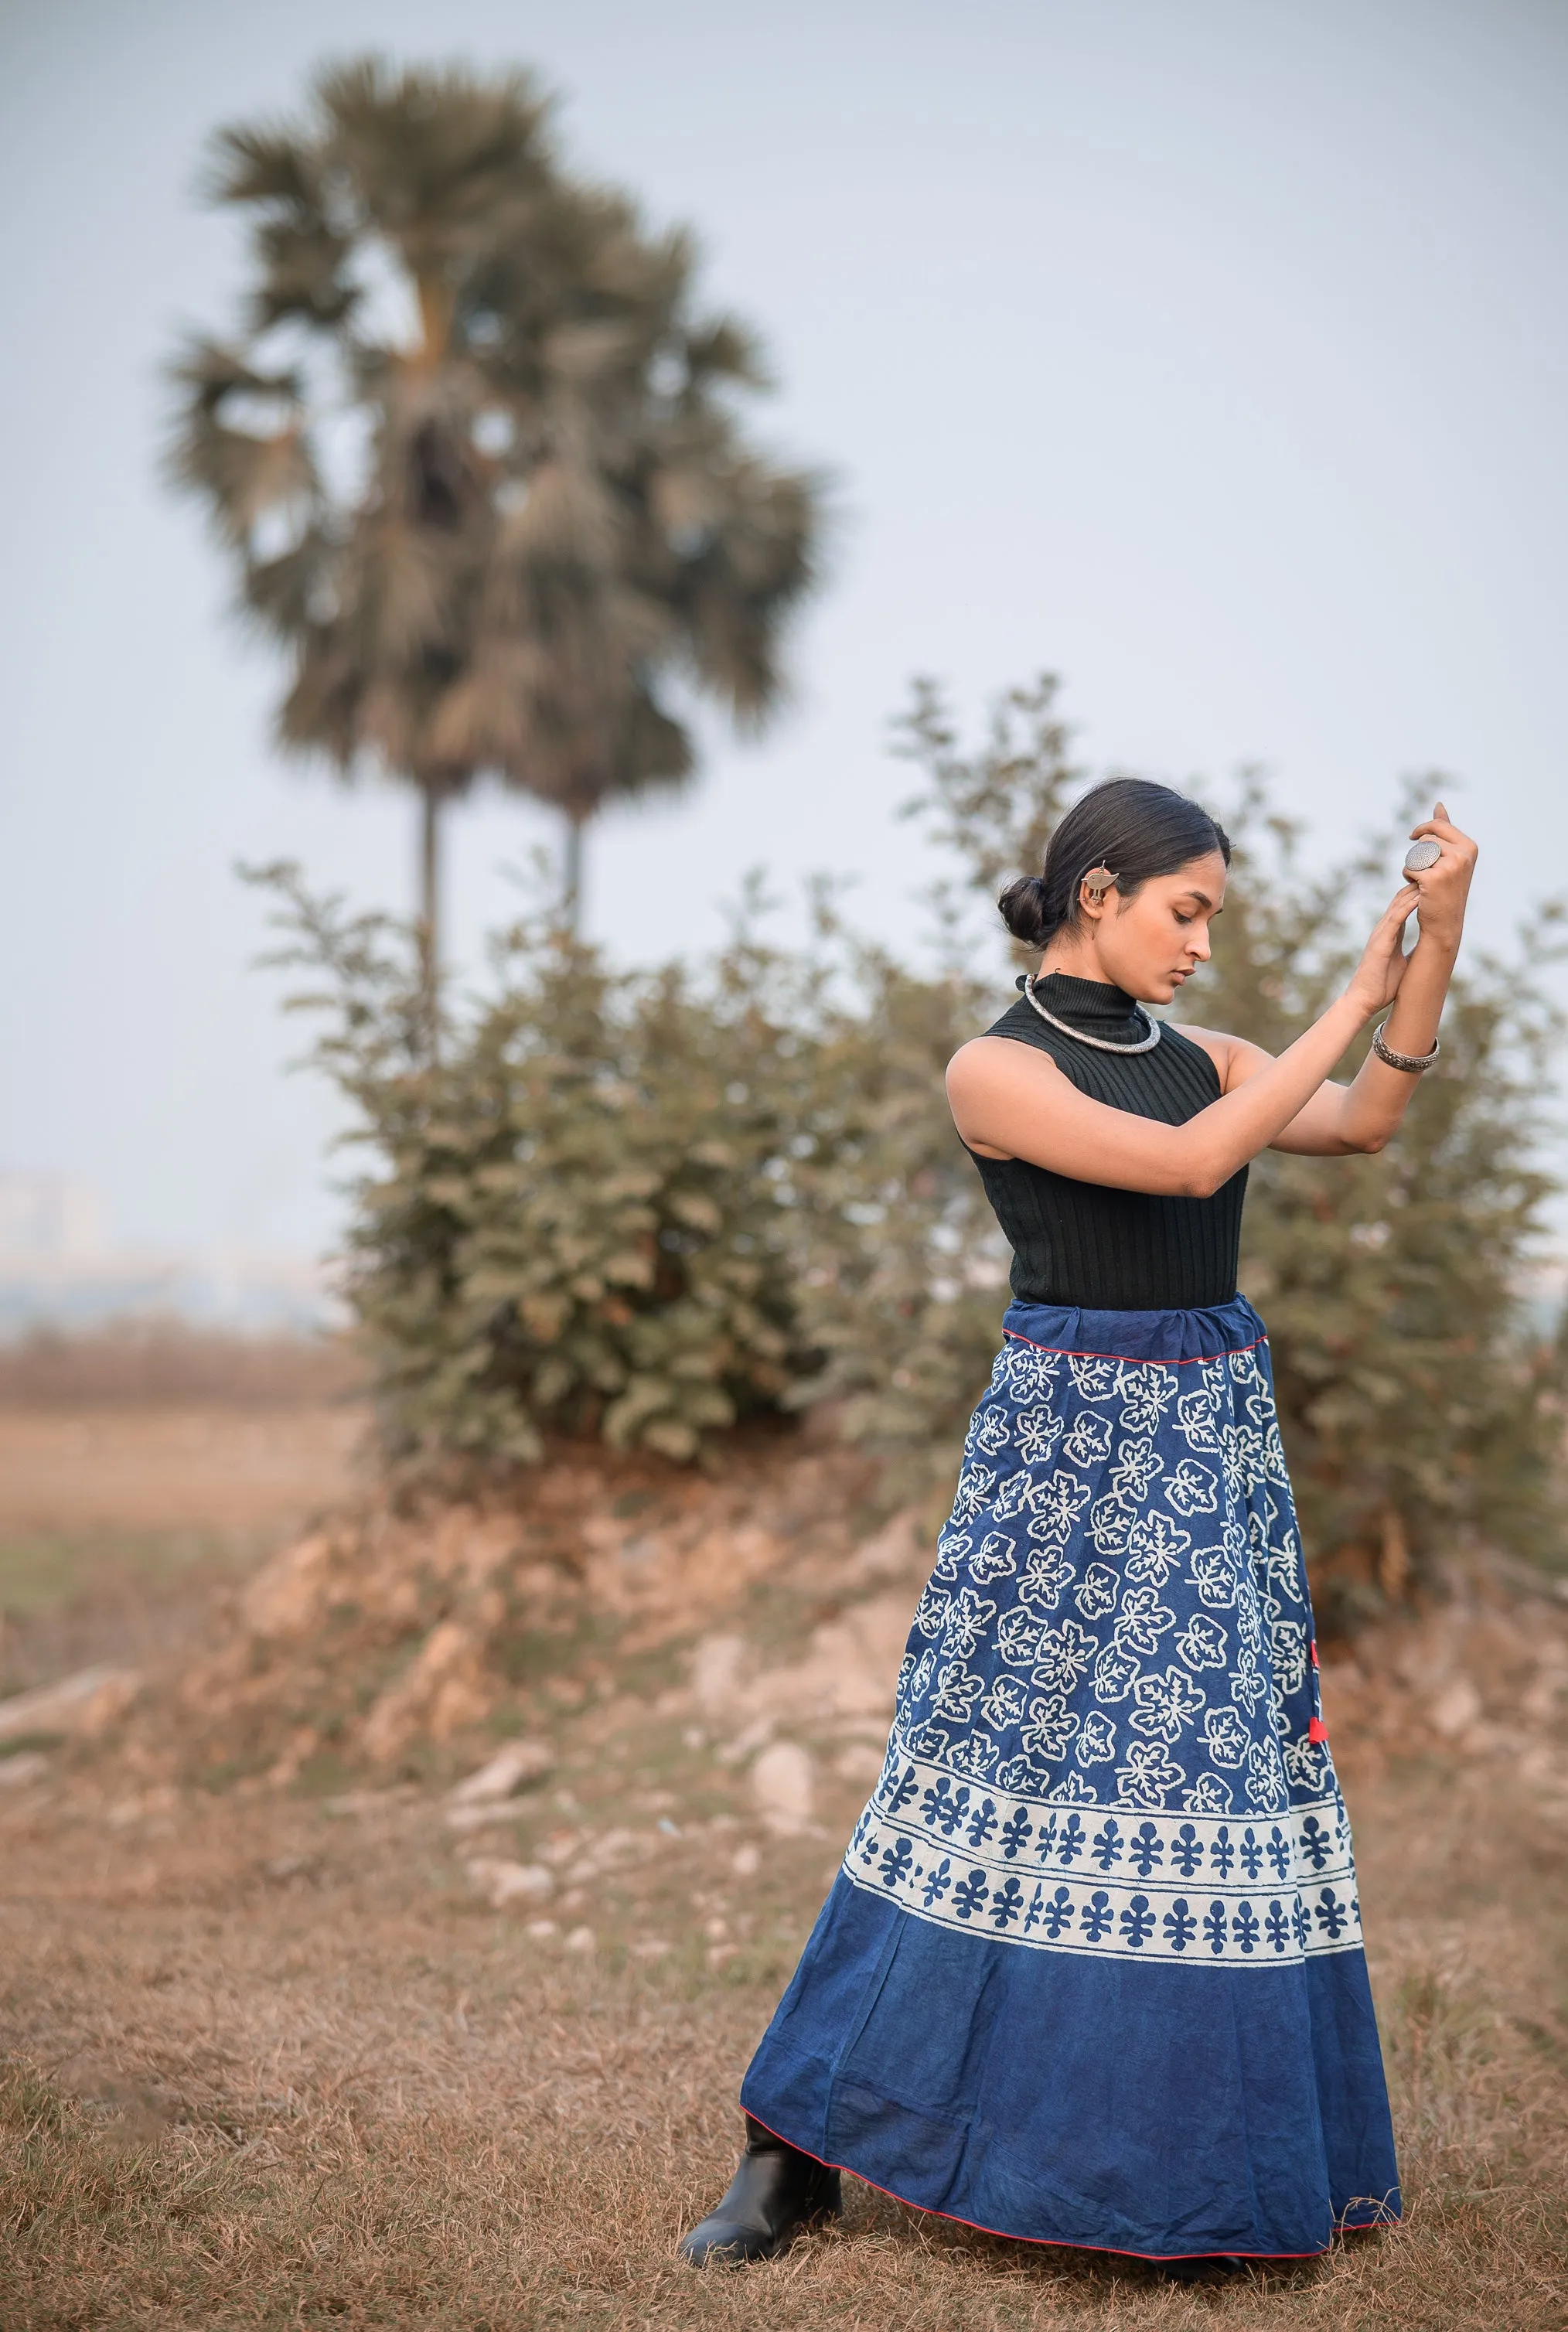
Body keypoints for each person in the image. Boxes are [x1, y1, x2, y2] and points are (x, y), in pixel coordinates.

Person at [679, 776, 1476, 2274]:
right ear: (1096, 893)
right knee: (974, 1768)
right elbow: (1189, 1162)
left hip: (1210, 1449)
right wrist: (1351, 986)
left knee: (1209, 1786)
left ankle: (1168, 2165)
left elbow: (1366, 1115)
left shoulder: (1211, 1055)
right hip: (1066, 1454)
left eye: (1216, 920)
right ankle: (792, 2151)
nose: (1202, 946)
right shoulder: (995, 1069)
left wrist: (1437, 933)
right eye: (1189, 911)